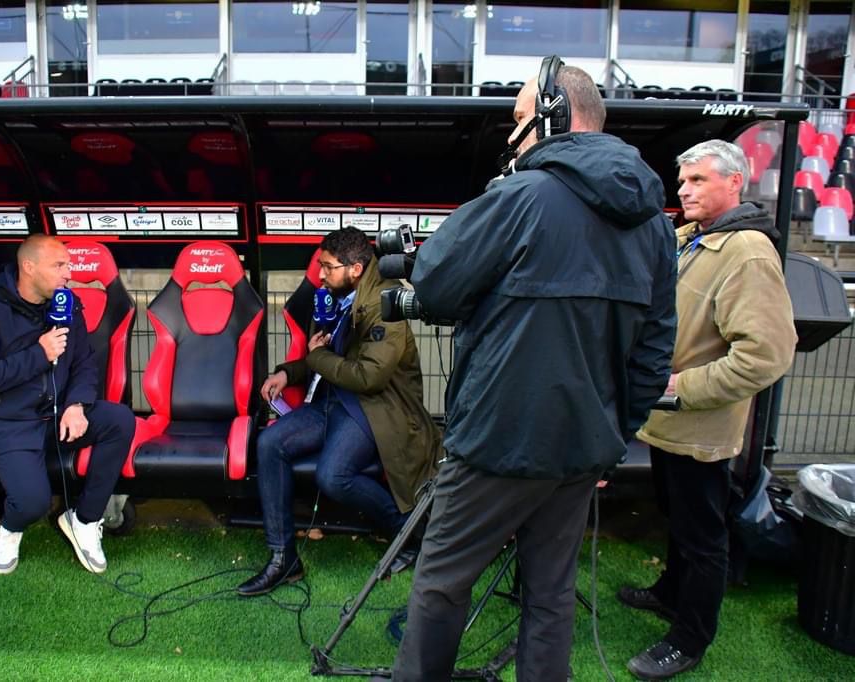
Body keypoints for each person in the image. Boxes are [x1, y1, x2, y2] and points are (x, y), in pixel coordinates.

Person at [390, 58, 677, 682]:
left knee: (441, 584)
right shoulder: (656, 225)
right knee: (550, 594)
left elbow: (434, 286)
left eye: (519, 118)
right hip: (583, 449)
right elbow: (654, 354)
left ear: (554, 114)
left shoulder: (519, 196)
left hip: (496, 442)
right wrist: (611, 438)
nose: (513, 133)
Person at [620, 140, 797, 680]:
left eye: (698, 180)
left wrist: (682, 386)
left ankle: (690, 638)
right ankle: (671, 594)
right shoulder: (691, 238)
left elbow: (766, 355)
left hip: (698, 424)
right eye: (683, 180)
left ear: (734, 182)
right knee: (678, 518)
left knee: (703, 537)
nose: (685, 190)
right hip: (668, 419)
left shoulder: (748, 253)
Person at [236, 226, 440, 597]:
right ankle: (284, 559)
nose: (321, 274)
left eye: (328, 267)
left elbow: (368, 377)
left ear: (355, 269)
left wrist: (316, 358)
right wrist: (288, 372)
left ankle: (407, 529)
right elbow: (328, 354)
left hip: (376, 406)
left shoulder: (384, 304)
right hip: (334, 399)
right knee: (270, 443)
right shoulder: (342, 296)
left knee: (333, 476)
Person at [0, 235, 135, 575]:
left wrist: (77, 404)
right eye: (59, 265)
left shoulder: (66, 304)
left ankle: (84, 520)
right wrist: (39, 354)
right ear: (29, 267)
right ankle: (10, 529)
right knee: (32, 503)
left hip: (55, 416)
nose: (69, 273)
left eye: (68, 265)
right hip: (8, 422)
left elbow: (84, 362)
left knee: (119, 420)